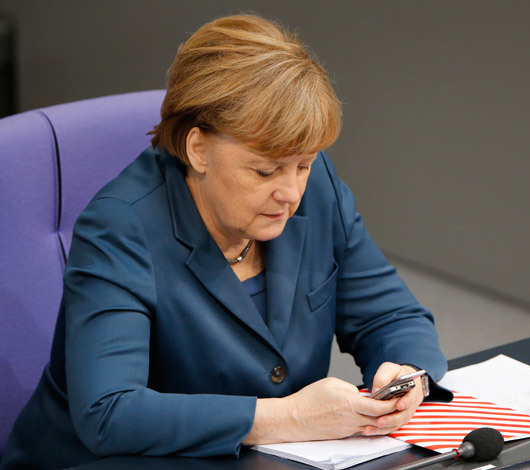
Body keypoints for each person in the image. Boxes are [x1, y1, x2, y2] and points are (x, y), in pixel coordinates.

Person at [1, 14, 450, 469]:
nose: (291, 193)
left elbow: (392, 315)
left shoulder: (313, 188)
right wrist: (289, 416)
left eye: (305, 164)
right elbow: (110, 413)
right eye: (264, 171)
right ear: (198, 149)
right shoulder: (120, 228)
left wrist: (406, 373)